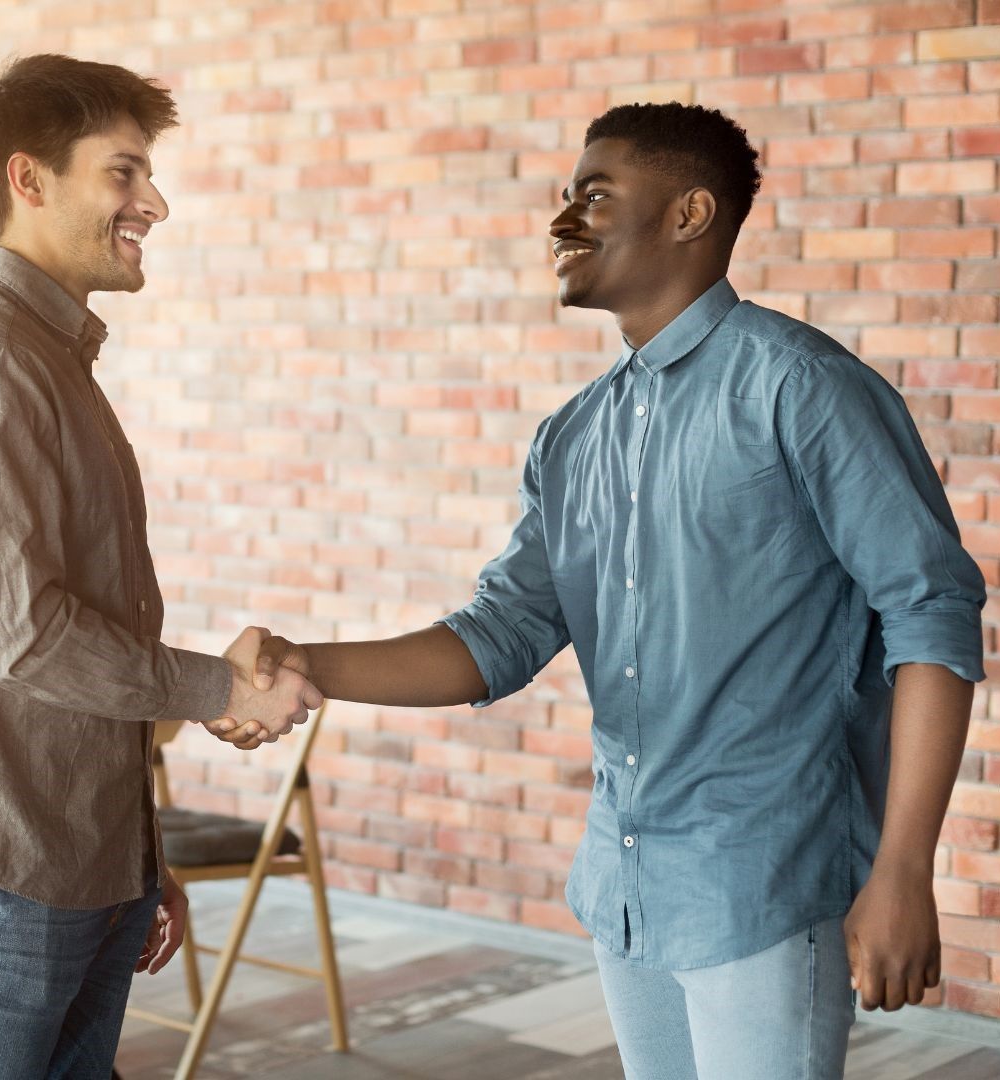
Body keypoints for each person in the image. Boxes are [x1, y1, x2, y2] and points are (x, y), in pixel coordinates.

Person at [241, 103, 983, 1080]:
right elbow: (497, 636)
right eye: (563, 195)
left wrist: (900, 871)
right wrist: (304, 665)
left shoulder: (801, 389)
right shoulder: (571, 436)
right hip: (623, 882)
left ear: (689, 214)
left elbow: (930, 616)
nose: (562, 220)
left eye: (594, 195)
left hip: (763, 877)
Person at [0, 54, 320, 1079]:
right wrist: (217, 684)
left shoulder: (48, 359)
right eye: (123, 172)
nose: (152, 201)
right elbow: (19, 636)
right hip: (7, 869)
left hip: (77, 860)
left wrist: (136, 856)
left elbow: (75, 631)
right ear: (29, 180)